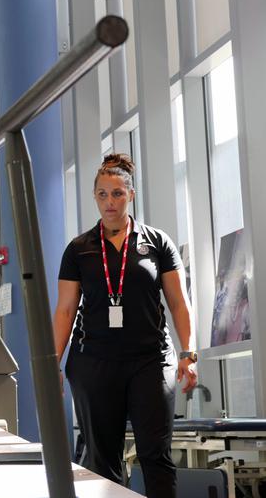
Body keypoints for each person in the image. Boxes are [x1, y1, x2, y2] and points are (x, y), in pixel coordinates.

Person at [53, 154, 198, 498]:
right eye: (102, 194)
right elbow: (65, 310)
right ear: (95, 198)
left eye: (117, 194)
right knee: (103, 462)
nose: (109, 202)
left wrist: (189, 352)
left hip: (151, 360)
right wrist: (51, 364)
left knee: (155, 456)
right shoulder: (79, 249)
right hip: (94, 362)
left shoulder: (157, 243)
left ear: (130, 195)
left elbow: (179, 302)